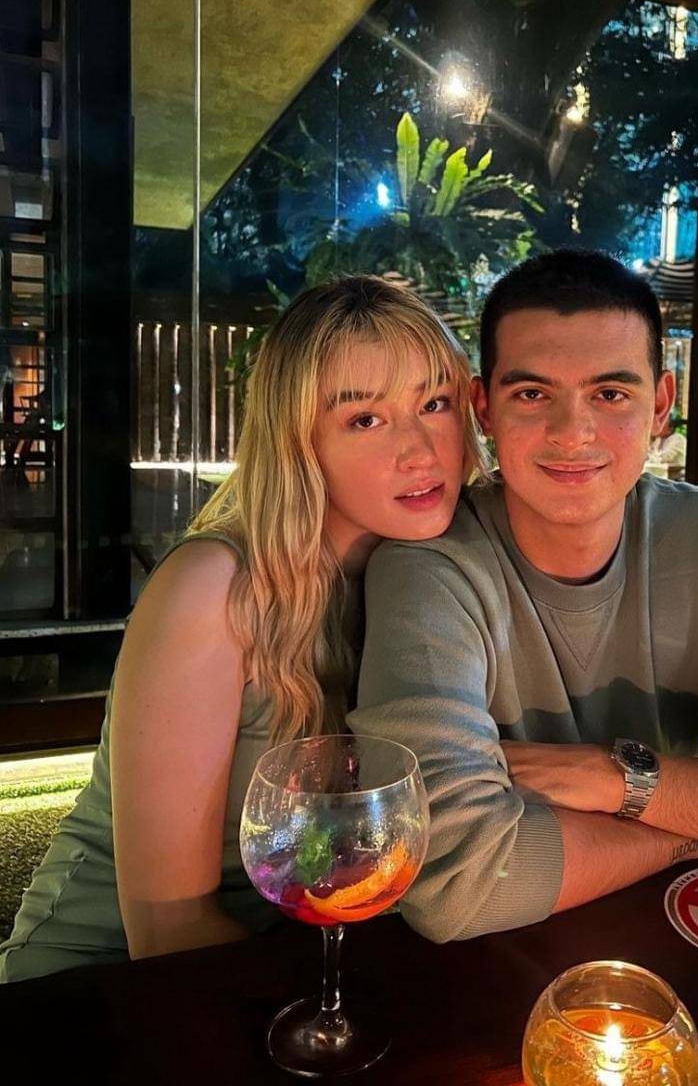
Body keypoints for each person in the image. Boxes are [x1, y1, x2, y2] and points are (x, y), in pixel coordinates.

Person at [349, 249, 698, 944]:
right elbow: (455, 884)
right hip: (494, 963)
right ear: (484, 408)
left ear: (660, 405)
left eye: (610, 394)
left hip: (674, 943)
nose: (571, 433)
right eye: (532, 394)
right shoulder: (430, 566)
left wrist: (619, 781)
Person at [0, 276, 483, 983]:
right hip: (103, 981)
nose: (420, 451)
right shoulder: (214, 588)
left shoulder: (437, 578)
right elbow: (166, 927)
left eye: (434, 404)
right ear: (298, 443)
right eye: (364, 419)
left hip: (295, 962)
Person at [648, 411, 687, 476]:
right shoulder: (659, 439)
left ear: (670, 429)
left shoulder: (677, 438)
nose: (658, 427)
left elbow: (664, 457)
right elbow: (649, 455)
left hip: (675, 476)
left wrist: (652, 455)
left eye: (662, 425)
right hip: (661, 473)